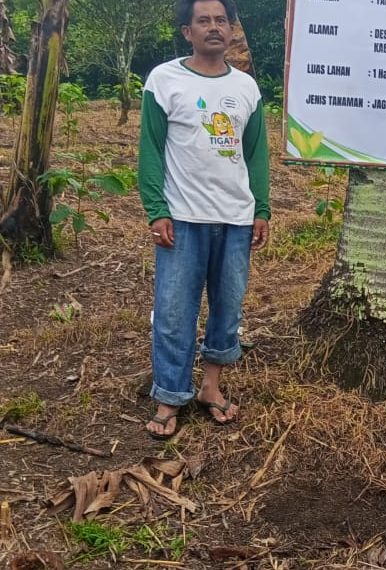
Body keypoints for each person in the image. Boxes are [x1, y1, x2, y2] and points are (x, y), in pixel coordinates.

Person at [138, 0, 270, 439]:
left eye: (221, 21)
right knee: (175, 311)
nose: (214, 28)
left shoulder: (247, 88)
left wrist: (261, 209)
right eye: (203, 21)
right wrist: (156, 210)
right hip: (183, 218)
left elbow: (256, 155)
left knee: (227, 308)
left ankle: (210, 388)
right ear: (186, 31)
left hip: (234, 218)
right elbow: (151, 151)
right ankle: (169, 396)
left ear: (231, 31)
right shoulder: (164, 80)